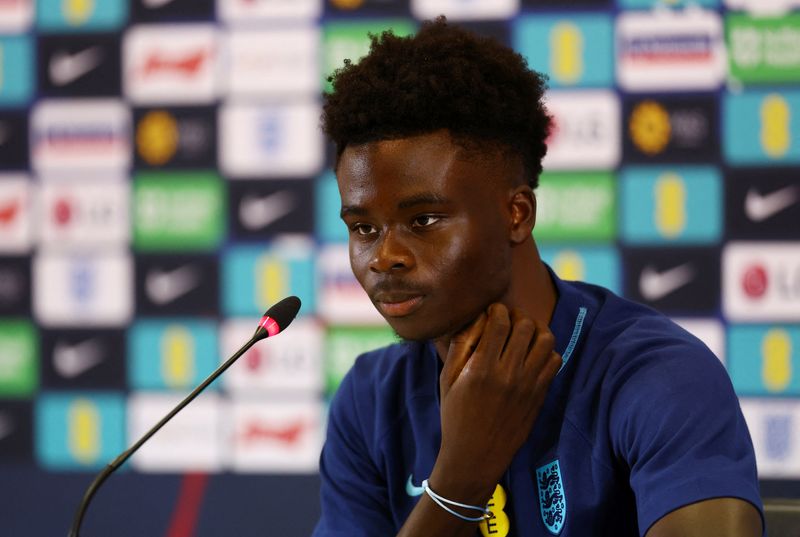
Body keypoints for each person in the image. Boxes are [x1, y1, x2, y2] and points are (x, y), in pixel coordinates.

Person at [313, 17, 764, 537]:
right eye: (364, 227)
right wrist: (460, 481)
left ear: (517, 214)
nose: (383, 256)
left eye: (424, 221)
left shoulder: (659, 378)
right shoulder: (370, 399)